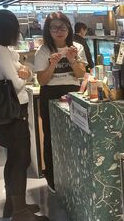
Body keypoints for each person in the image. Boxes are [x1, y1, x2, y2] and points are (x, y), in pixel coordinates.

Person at [0, 10, 49, 221]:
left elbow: (18, 73)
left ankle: (13, 204)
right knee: (21, 160)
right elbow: (16, 83)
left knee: (13, 159)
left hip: (5, 114)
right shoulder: (2, 53)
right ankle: (20, 214)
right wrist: (26, 75)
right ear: (8, 30)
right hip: (14, 113)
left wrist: (23, 71)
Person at [35, 12, 86, 190]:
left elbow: (80, 75)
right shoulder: (43, 51)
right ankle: (51, 178)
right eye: (54, 28)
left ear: (68, 29)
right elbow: (42, 81)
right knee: (50, 136)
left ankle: (75, 176)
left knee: (75, 135)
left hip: (72, 93)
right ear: (48, 30)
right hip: (50, 94)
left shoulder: (77, 48)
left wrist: (72, 60)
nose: (59, 31)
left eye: (62, 27)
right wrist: (52, 65)